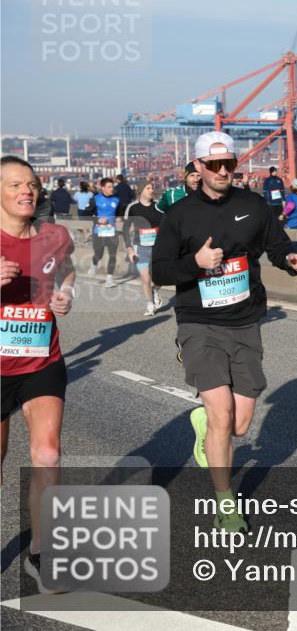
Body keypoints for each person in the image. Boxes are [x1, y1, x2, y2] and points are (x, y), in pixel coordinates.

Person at [151, 131, 297, 533]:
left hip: (245, 322)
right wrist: (196, 262)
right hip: (198, 322)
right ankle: (226, 504)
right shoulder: (179, 214)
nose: (224, 171)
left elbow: (277, 246)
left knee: (239, 426)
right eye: (215, 165)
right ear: (198, 166)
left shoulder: (253, 205)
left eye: (229, 164)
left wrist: (290, 260)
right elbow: (160, 271)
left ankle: (204, 425)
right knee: (222, 417)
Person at [1, 155, 77, 594]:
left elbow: (66, 270)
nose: (26, 191)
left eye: (30, 184)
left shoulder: (54, 236)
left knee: (47, 454)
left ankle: (42, 551)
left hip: (41, 361)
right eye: (15, 184)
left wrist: (65, 293)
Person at [124, 181, 164, 316]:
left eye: (152, 188)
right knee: (145, 279)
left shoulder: (159, 205)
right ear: (140, 191)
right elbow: (125, 229)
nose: (151, 190)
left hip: (159, 247)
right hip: (141, 247)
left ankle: (155, 290)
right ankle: (149, 305)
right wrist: (129, 249)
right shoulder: (132, 207)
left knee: (163, 277)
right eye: (148, 188)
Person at [88, 177, 120, 287]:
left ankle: (109, 279)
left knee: (112, 255)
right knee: (99, 254)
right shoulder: (95, 199)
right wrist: (97, 219)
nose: (112, 189)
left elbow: (120, 212)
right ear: (103, 188)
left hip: (112, 230)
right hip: (99, 231)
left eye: (112, 187)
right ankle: (94, 264)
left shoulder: (116, 199)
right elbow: (86, 214)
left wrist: (119, 218)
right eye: (109, 187)